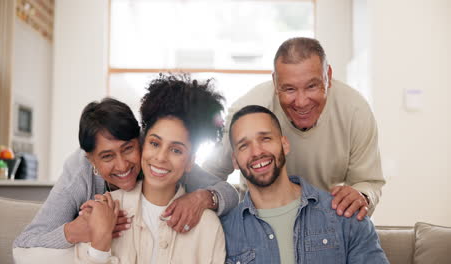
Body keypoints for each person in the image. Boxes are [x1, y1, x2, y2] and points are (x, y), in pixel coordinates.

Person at [13, 97, 238, 250]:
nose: (122, 166)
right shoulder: (79, 172)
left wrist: (203, 197)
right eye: (107, 156)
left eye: (128, 149)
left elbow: (229, 192)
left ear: (140, 141)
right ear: (90, 159)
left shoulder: (158, 159)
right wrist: (75, 231)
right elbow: (24, 244)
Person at [203, 37, 385, 220]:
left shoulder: (355, 111)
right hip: (256, 222)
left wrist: (362, 195)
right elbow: (210, 175)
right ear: (275, 82)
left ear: (328, 76)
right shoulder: (244, 114)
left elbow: (368, 182)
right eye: (289, 89)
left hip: (325, 224)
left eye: (312, 86)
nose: (301, 102)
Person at [75, 74, 226, 263]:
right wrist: (100, 242)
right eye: (155, 144)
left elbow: (229, 194)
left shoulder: (208, 226)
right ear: (142, 144)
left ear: (190, 162)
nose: (161, 157)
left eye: (176, 150)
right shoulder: (102, 211)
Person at [221, 105, 388, 264]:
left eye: (265, 138)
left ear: (284, 145)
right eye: (244, 146)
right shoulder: (224, 232)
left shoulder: (344, 214)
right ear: (235, 161)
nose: (257, 152)